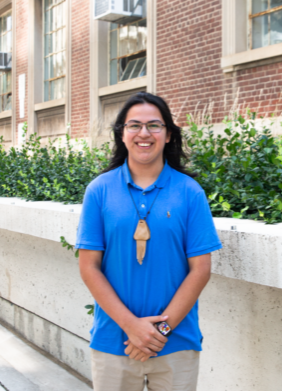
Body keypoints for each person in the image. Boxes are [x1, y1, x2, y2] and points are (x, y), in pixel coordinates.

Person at [76, 92, 222, 391]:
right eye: (134, 125)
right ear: (122, 134)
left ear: (168, 135)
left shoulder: (190, 192)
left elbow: (201, 270)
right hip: (113, 341)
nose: (144, 133)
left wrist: (160, 332)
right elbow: (89, 267)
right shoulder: (99, 191)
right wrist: (132, 326)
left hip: (176, 343)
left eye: (154, 125)